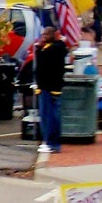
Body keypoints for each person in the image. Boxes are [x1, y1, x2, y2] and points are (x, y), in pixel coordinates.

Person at [34, 25, 68, 154]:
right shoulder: (55, 48)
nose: (44, 37)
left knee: (49, 117)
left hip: (49, 88)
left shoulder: (52, 50)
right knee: (50, 116)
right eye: (43, 34)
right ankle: (50, 142)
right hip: (50, 87)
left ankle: (51, 143)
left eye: (46, 35)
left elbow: (43, 64)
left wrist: (38, 47)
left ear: (53, 35)